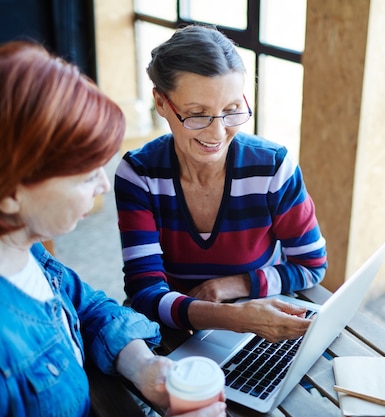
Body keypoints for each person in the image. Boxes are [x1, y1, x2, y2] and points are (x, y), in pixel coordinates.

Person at [0, 41, 226, 417]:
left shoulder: (27, 250)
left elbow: (86, 307)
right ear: (10, 192)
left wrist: (142, 365)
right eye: (86, 176)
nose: (104, 186)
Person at [114, 24, 327, 342]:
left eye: (231, 110)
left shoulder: (273, 168)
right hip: (176, 321)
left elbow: (311, 265)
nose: (217, 135)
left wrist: (234, 285)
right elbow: (144, 292)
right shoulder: (138, 175)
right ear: (161, 103)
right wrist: (234, 318)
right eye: (197, 114)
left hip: (259, 313)